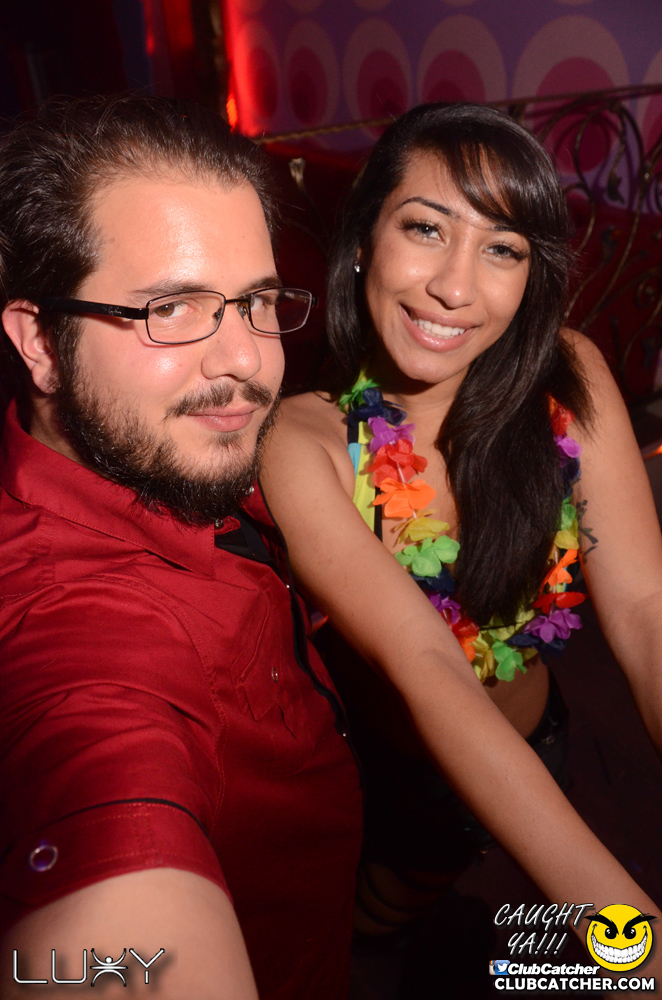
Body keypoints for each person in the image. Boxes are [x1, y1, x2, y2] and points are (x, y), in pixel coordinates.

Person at [261, 102, 662, 957]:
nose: (456, 287)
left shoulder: (568, 374)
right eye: (426, 228)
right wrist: (631, 943)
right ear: (365, 237)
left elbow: (644, 609)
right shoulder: (302, 443)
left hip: (541, 741)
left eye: (502, 248)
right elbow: (430, 665)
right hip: (402, 781)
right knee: (382, 924)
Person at [0, 94, 363, 999]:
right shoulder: (81, 635)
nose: (244, 360)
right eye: (171, 308)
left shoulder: (161, 442)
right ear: (40, 340)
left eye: (258, 302)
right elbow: (98, 774)